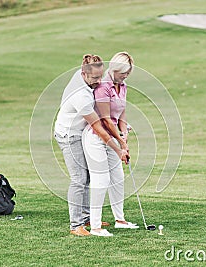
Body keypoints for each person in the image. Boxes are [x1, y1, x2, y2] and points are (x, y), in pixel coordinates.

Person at [54, 54, 129, 237]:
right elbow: (99, 127)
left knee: (88, 176)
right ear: (84, 74)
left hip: (80, 132)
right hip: (69, 135)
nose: (98, 82)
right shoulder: (81, 95)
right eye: (94, 78)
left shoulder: (87, 75)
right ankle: (76, 225)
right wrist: (118, 147)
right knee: (79, 178)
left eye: (100, 77)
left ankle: (87, 217)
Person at [82, 52, 138, 237]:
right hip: (96, 138)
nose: (126, 76)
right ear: (115, 69)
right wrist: (121, 142)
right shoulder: (103, 88)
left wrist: (123, 134)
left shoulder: (123, 87)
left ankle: (120, 220)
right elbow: (105, 120)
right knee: (101, 180)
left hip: (113, 137)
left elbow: (121, 113)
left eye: (128, 73)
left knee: (118, 177)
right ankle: (96, 226)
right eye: (124, 73)